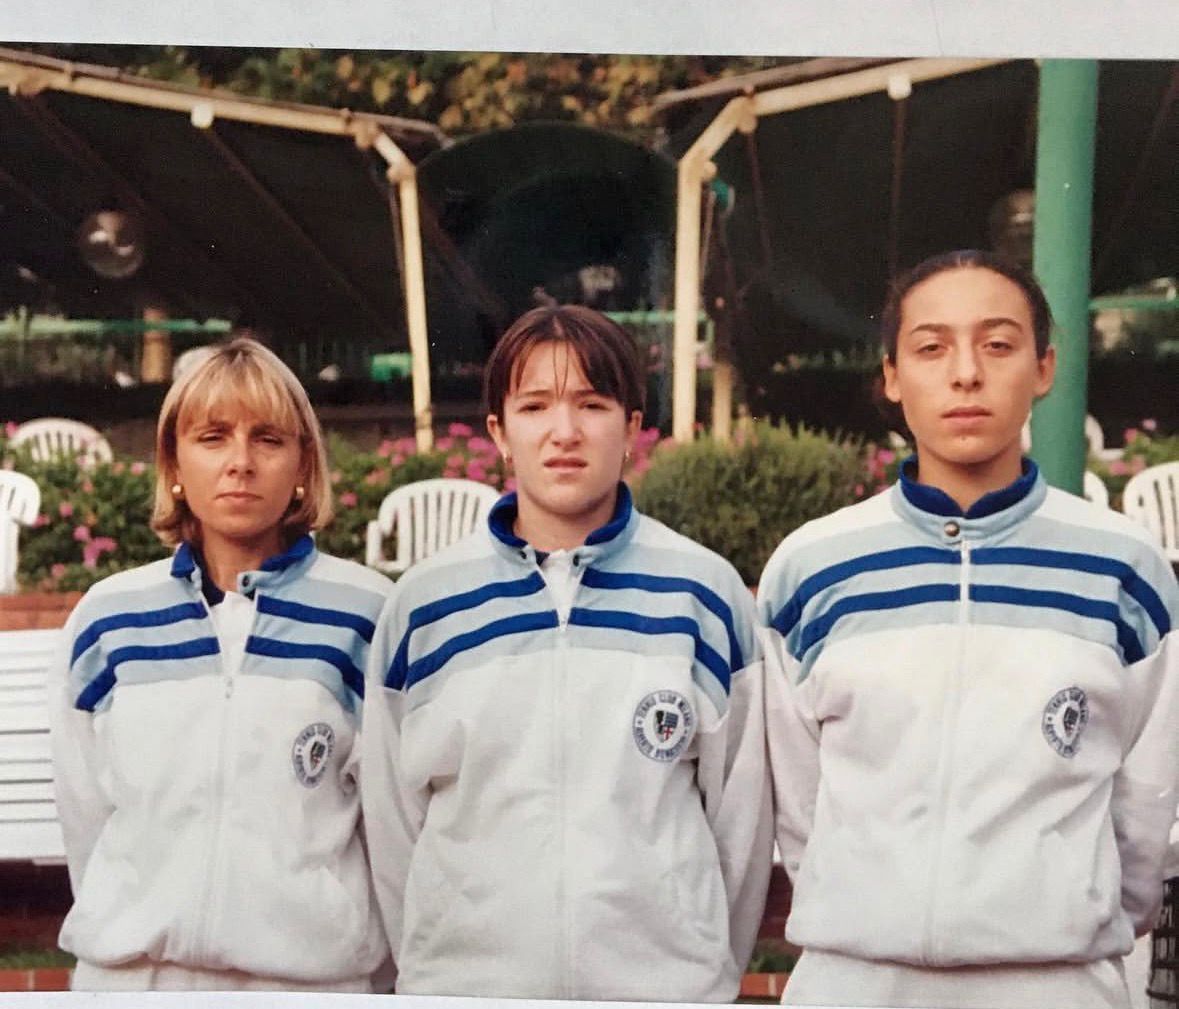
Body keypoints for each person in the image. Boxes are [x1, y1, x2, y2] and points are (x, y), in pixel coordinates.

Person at [757, 250, 1179, 1009]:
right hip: (853, 980)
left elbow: (1143, 796)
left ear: (1043, 367)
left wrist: (1069, 922)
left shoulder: (1124, 566)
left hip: (1056, 983)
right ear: (890, 375)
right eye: (930, 347)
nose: (964, 374)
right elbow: (800, 802)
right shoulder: (813, 567)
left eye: (996, 344)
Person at [362, 304, 771, 1001]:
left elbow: (740, 820)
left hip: (661, 992)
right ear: (499, 430)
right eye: (534, 405)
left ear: (633, 426)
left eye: (592, 403)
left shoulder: (702, 595)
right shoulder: (424, 604)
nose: (563, 432)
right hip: (467, 990)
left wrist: (694, 967)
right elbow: (392, 822)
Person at [49, 338, 394, 991]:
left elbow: (389, 828)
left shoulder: (366, 614)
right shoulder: (109, 617)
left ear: (302, 465)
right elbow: (86, 816)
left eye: (267, 438)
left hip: (305, 985)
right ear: (173, 462)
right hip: (135, 983)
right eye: (212, 436)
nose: (240, 462)